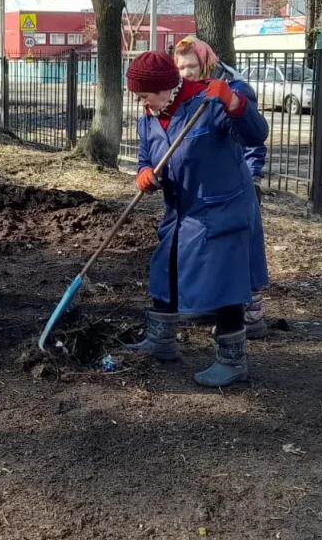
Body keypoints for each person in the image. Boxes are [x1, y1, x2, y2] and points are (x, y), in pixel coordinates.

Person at [126, 51, 269, 387]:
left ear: (164, 88)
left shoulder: (207, 106)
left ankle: (232, 362)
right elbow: (146, 156)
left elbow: (255, 134)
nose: (141, 102)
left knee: (224, 283)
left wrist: (236, 104)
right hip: (181, 210)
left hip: (221, 208)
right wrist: (145, 173)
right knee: (166, 265)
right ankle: (161, 340)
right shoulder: (149, 118)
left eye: (144, 95)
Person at [173, 36, 269, 339]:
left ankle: (252, 314)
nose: (186, 72)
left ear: (207, 62)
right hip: (208, 184)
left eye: (191, 66)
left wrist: (252, 177)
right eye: (181, 67)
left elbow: (251, 135)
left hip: (238, 181)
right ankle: (216, 305)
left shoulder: (235, 90)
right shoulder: (189, 93)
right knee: (211, 246)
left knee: (242, 248)